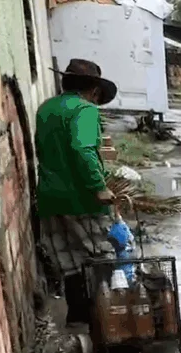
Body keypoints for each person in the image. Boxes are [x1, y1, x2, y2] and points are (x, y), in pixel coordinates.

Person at [35, 59, 118, 325]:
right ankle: (102, 318)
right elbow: (82, 149)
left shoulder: (46, 108)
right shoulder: (85, 110)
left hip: (50, 197)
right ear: (94, 91)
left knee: (68, 258)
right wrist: (99, 187)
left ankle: (78, 318)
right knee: (101, 255)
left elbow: (42, 150)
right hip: (81, 199)